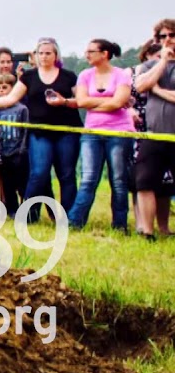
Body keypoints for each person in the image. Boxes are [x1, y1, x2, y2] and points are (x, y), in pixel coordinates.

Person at [0, 37, 80, 224]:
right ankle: (27, 215)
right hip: (40, 133)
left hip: (66, 131)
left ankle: (68, 218)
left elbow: (81, 100)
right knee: (39, 172)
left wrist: (64, 102)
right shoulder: (29, 77)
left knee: (66, 174)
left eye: (48, 53)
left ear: (56, 55)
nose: (44, 57)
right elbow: (10, 99)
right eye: (40, 53)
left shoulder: (68, 76)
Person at [64, 39, 134, 232]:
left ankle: (120, 225)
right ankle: (74, 222)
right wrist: (107, 102)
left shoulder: (122, 75)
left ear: (104, 54)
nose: (87, 55)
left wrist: (94, 103)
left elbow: (118, 102)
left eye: (91, 51)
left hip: (119, 131)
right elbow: (81, 101)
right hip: (92, 132)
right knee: (88, 179)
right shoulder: (85, 75)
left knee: (119, 180)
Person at [134, 19, 175, 240]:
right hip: (154, 134)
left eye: (171, 35)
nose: (167, 40)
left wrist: (157, 90)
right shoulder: (151, 65)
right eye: (162, 37)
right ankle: (148, 232)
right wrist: (161, 63)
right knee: (145, 181)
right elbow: (140, 85)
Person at [0, 73, 29, 216]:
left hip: (18, 151)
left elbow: (25, 130)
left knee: (22, 182)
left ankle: (25, 209)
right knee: (8, 184)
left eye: (5, 87)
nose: (1, 90)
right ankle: (12, 210)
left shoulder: (22, 109)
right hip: (2, 151)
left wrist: (23, 149)